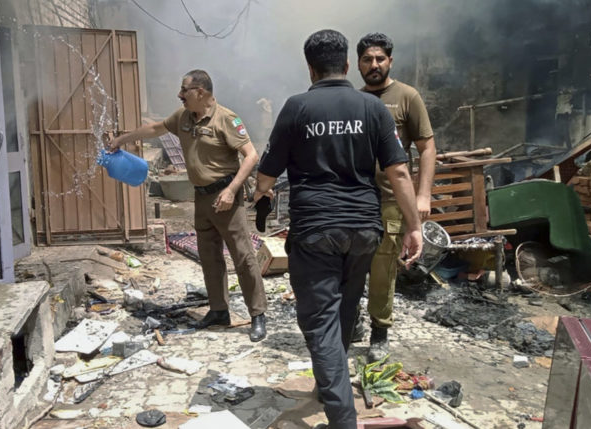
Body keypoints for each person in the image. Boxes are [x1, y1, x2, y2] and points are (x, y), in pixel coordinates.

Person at [254, 29, 422, 428]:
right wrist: (414, 226)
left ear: (310, 68)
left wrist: (261, 196)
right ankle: (332, 385)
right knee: (346, 307)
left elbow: (266, 176)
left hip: (316, 231)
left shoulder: (297, 108)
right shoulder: (372, 108)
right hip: (365, 229)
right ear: (348, 65)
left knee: (319, 322)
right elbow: (398, 170)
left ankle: (342, 419)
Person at [108, 70, 268, 342]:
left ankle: (258, 315)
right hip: (202, 198)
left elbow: (251, 155)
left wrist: (231, 190)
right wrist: (122, 140)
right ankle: (219, 310)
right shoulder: (183, 117)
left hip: (226, 197)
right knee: (209, 255)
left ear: (201, 92)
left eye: (185, 90)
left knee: (242, 256)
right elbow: (156, 128)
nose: (179, 95)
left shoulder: (227, 119)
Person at [356, 33, 437, 362]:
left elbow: (427, 147)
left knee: (382, 267)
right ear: (357, 64)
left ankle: (380, 330)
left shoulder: (407, 97)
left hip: (392, 197)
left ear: (390, 61)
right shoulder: (353, 99)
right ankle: (350, 321)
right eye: (367, 60)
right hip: (357, 197)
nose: (374, 65)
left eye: (380, 59)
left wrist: (423, 194)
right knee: (351, 264)